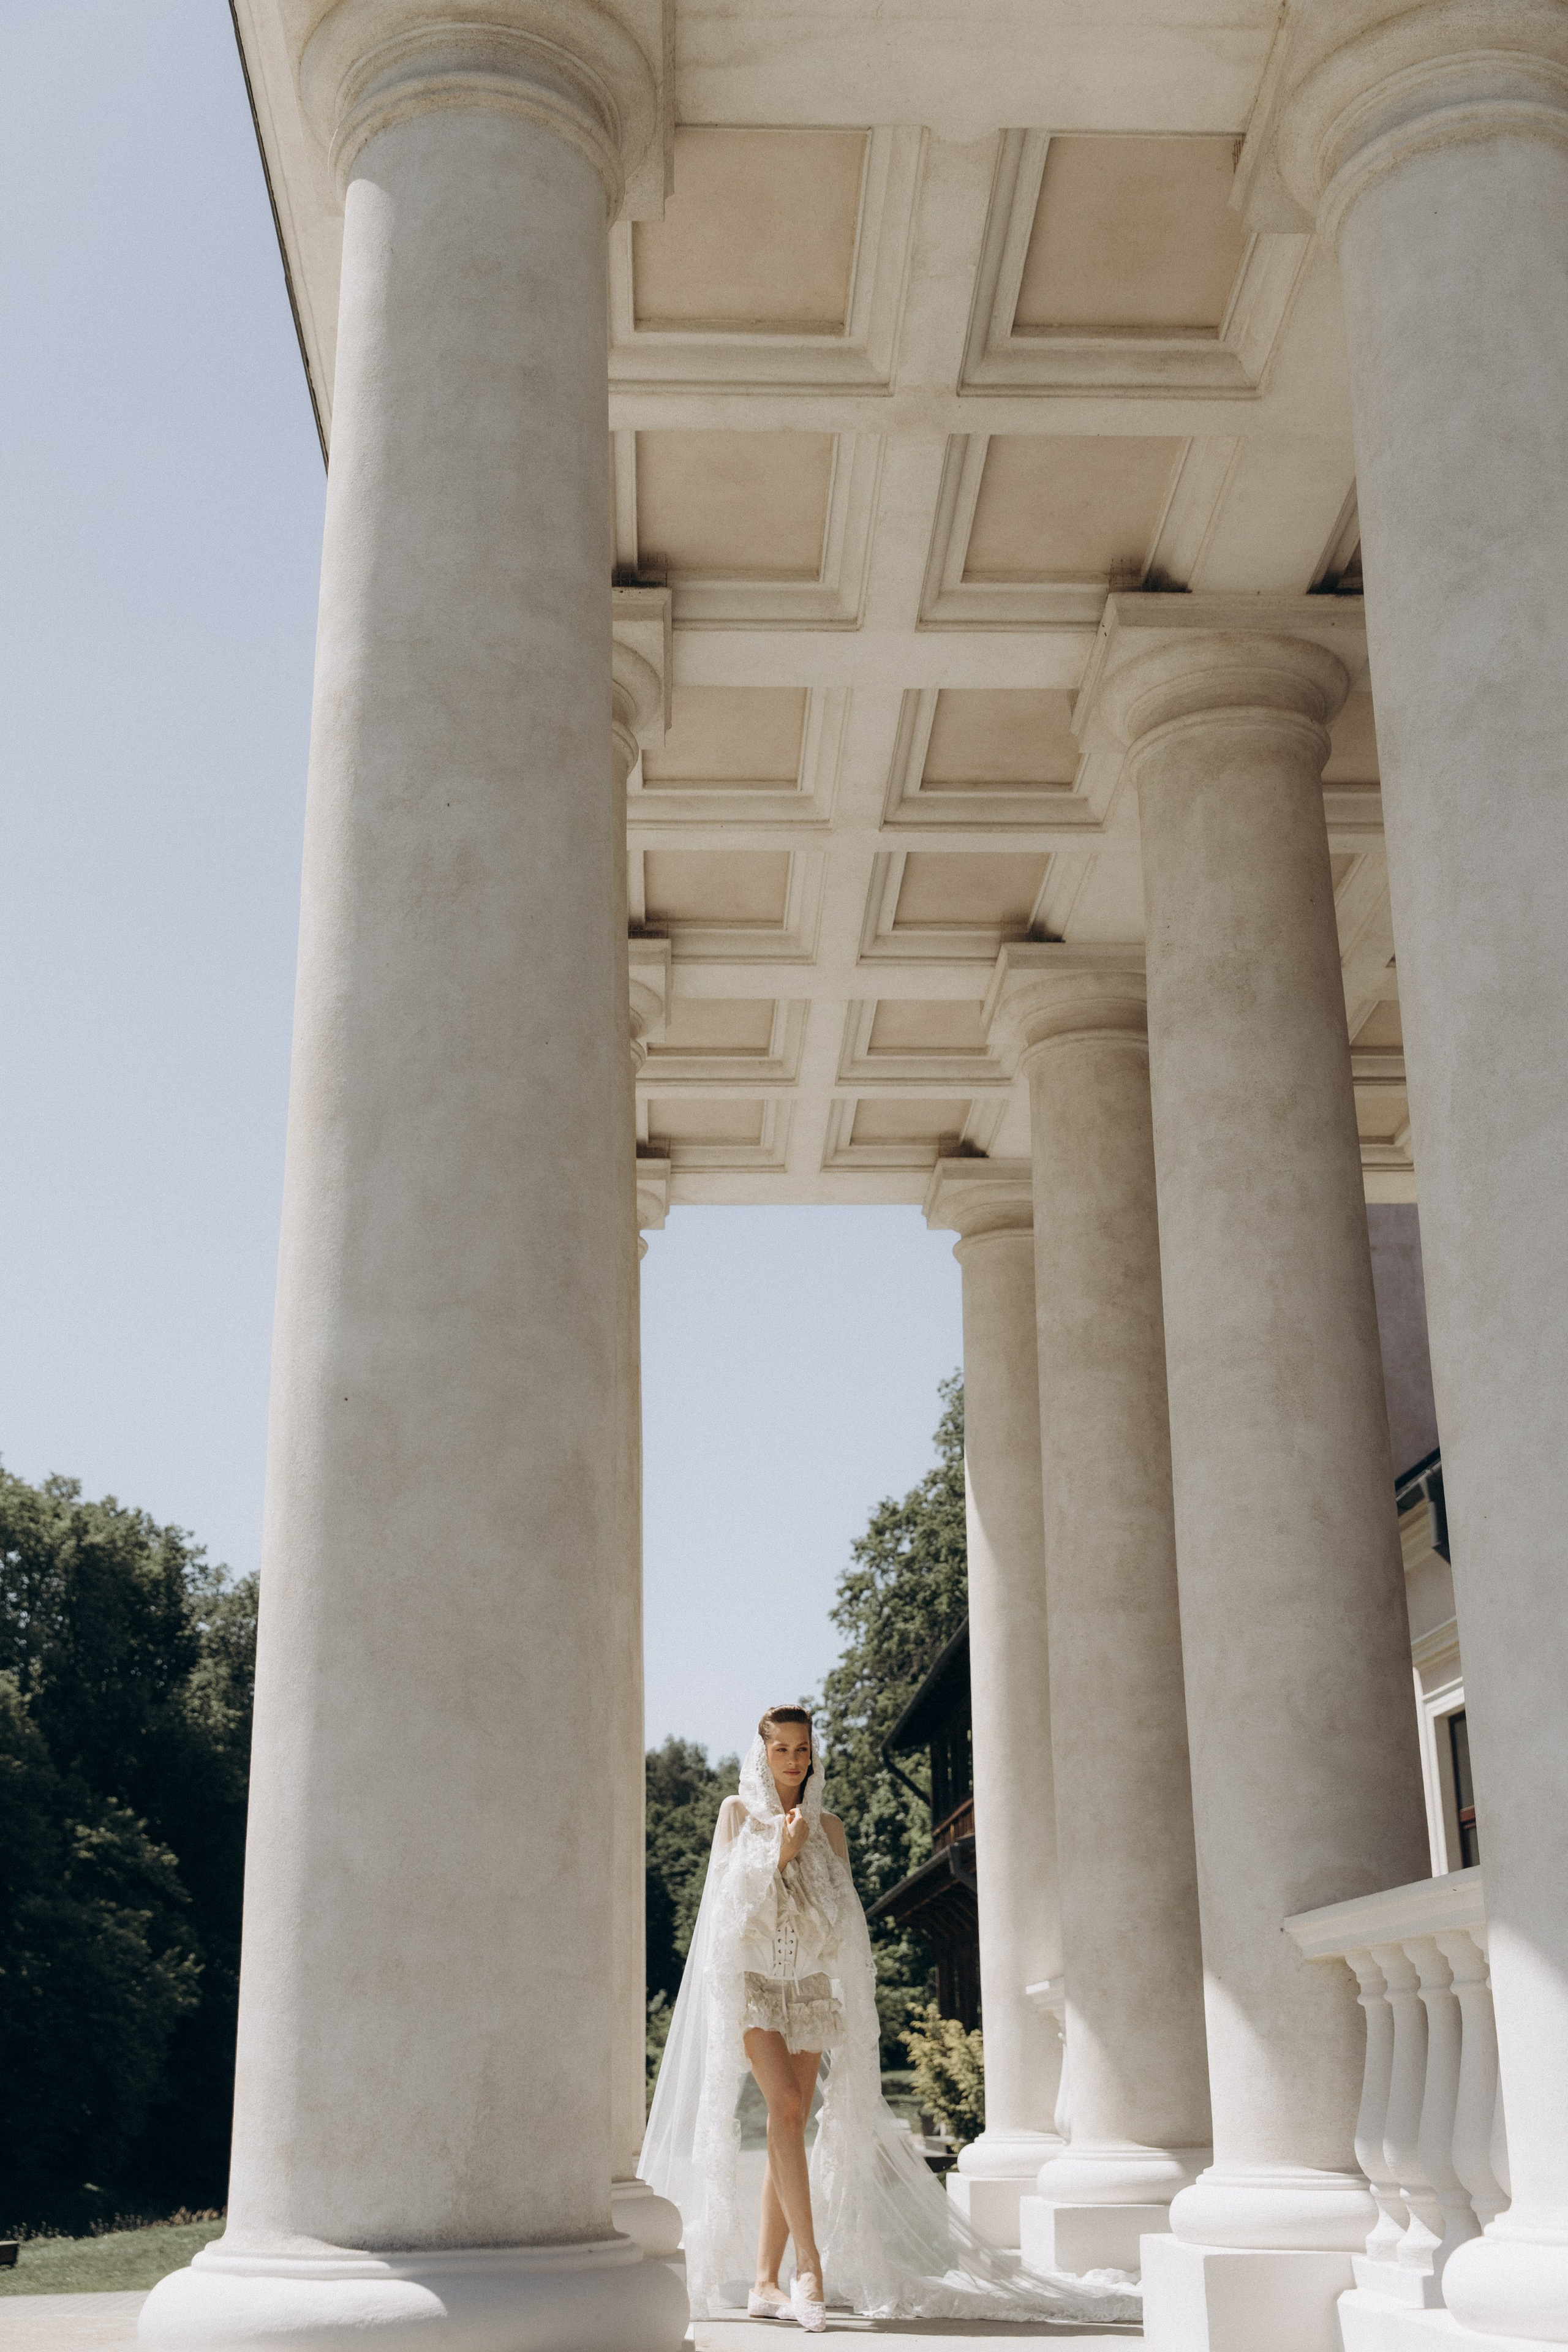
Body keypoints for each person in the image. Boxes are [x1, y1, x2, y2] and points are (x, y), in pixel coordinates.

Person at [640, 1705, 1139, 2328]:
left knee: (787, 2121)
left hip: (812, 1986)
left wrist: (807, 1848)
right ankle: (810, 2268)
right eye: (782, 1750)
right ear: (761, 1754)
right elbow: (723, 1919)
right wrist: (780, 1853)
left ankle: (765, 2282)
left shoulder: (834, 1829)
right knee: (788, 2107)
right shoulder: (735, 1816)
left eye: (804, 1749)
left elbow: (844, 1926)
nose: (795, 1761)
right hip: (752, 1984)